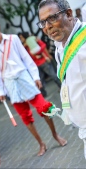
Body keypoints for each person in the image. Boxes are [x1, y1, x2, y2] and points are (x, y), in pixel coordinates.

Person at [0, 17, 67, 156]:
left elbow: (26, 58)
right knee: (25, 117)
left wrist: (35, 76)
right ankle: (41, 143)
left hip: (24, 78)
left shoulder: (13, 39)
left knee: (44, 108)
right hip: (10, 84)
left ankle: (55, 135)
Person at [38, 0, 86, 158]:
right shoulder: (60, 46)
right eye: (43, 22)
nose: (47, 26)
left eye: (52, 18)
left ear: (69, 14)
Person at [18, 32, 61, 97]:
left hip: (43, 61)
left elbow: (43, 46)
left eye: (21, 37)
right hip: (35, 65)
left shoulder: (34, 40)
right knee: (40, 79)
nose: (21, 39)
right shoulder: (23, 47)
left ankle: (61, 87)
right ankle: (43, 94)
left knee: (53, 75)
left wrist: (42, 54)